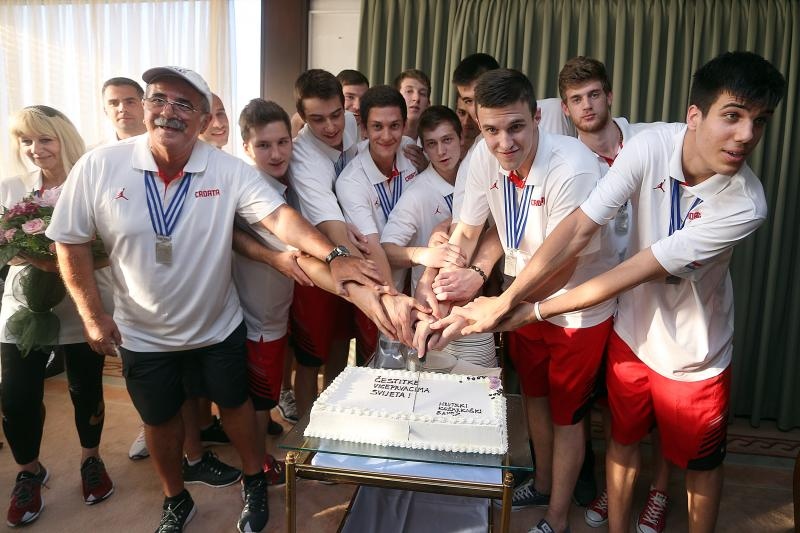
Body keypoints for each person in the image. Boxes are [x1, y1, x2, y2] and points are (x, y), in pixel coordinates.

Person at [440, 51, 786, 533]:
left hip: (695, 351)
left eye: (759, 122)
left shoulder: (747, 205)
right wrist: (500, 296)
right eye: (733, 116)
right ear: (695, 115)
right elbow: (579, 228)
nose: (747, 135)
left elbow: (634, 269)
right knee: (621, 441)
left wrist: (526, 307)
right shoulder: (649, 146)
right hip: (631, 329)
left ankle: (658, 497)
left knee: (698, 465)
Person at [47, 66, 384, 533]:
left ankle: (253, 481)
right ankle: (175, 498)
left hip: (217, 326)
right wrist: (91, 313)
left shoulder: (226, 170)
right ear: (146, 106)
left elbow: (280, 218)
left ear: (204, 119)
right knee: (159, 421)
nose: (169, 111)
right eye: (159, 98)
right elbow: (69, 240)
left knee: (237, 409)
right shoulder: (99, 166)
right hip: (141, 332)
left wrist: (336, 254)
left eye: (185, 104)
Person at [423, 69, 617, 533]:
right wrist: (445, 280)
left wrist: (500, 305)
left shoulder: (574, 166)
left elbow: (563, 263)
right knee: (533, 395)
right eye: (491, 130)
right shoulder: (482, 157)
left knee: (568, 414)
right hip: (521, 289)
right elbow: (468, 230)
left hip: (577, 304)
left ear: (536, 117)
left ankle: (556, 518)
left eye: (515, 128)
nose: (503, 143)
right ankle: (544, 482)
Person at [558, 55, 671, 530]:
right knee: (606, 404)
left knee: (665, 404)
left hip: (658, 297)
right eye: (576, 99)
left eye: (594, 95)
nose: (587, 106)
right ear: (565, 109)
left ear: (609, 95)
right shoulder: (566, 159)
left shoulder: (651, 140)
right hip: (596, 300)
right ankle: (613, 488)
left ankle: (661, 493)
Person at [2, 105, 114, 527]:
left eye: (44, 139)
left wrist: (62, 263)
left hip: (81, 305)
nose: (34, 149)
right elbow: (4, 248)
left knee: (86, 388)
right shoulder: (11, 187)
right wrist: (39, 258)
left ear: (64, 140)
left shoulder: (93, 185)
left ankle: (92, 459)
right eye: (26, 141)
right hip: (21, 309)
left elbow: (112, 249)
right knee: (16, 397)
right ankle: (28, 471)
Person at [381, 105, 496, 367]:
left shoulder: (480, 176)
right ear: (424, 148)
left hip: (479, 306)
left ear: (461, 138)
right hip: (433, 309)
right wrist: (425, 255)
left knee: (478, 395)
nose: (441, 151)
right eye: (432, 144)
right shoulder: (417, 193)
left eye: (447, 140)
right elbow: (386, 249)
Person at [101, 77, 146, 141]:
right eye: (114, 103)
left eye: (130, 102)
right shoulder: (98, 150)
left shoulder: (164, 146)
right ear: (105, 111)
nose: (122, 109)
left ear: (145, 106)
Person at [394, 69, 431, 140]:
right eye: (409, 91)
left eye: (422, 93)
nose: (416, 98)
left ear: (428, 104)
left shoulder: (434, 143)